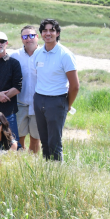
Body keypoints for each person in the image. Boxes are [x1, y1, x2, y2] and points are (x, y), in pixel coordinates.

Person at [32, 19, 79, 162]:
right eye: (44, 30)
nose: (48, 33)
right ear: (41, 34)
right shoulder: (38, 53)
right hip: (39, 99)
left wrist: (67, 105)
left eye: (52, 30)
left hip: (57, 100)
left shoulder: (65, 55)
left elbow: (75, 86)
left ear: (57, 33)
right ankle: (47, 169)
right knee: (44, 140)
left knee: (54, 142)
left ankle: (57, 170)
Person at [11, 25, 41, 153]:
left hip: (38, 104)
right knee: (18, 138)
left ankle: (33, 162)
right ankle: (20, 161)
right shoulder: (14, 55)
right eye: (25, 36)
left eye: (31, 35)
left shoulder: (44, 54)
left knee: (35, 138)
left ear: (37, 37)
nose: (28, 39)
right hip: (20, 104)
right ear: (21, 38)